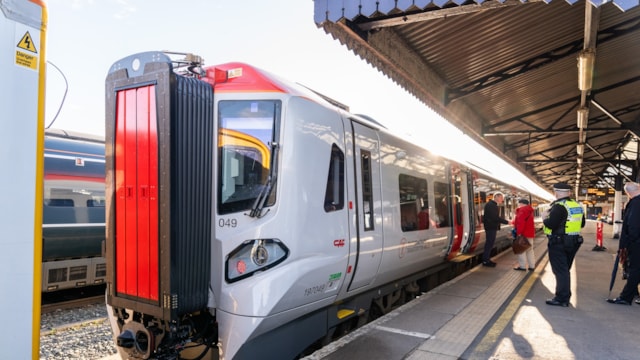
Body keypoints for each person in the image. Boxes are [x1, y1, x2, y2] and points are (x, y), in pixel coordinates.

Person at [542, 183, 585, 307]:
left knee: (560, 271)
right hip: (573, 241)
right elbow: (582, 224)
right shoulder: (577, 206)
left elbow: (551, 224)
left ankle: (562, 298)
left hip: (558, 242)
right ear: (569, 193)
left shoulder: (559, 207)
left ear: (556, 193)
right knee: (565, 270)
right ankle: (564, 296)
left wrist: (545, 217)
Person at [607, 182, 640, 305]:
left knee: (635, 270)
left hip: (637, 244)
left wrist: (629, 243)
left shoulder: (636, 203)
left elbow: (633, 226)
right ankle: (633, 293)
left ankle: (626, 297)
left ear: (627, 193)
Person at [482, 192, 509, 267]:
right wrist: (507, 222)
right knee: (489, 243)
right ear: (496, 197)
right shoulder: (491, 205)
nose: (502, 200)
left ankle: (487, 259)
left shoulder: (492, 205)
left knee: (490, 243)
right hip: (490, 227)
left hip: (491, 227)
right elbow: (495, 218)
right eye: (501, 198)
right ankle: (485, 261)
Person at [513, 198, 536, 271]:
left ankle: (522, 266)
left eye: (519, 204)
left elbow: (521, 223)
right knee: (530, 250)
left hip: (523, 234)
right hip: (530, 234)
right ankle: (532, 266)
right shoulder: (530, 211)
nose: (518, 205)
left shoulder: (522, 210)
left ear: (521, 204)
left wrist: (519, 233)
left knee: (521, 250)